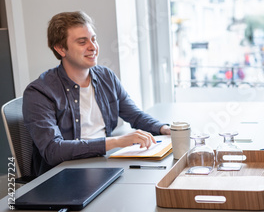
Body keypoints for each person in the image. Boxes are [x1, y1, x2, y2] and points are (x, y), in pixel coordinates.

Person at [23, 11, 171, 176]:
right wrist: (115, 142)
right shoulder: (39, 92)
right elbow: (53, 151)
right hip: (63, 175)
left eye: (93, 39)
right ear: (60, 49)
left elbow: (134, 115)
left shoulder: (106, 76)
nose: (93, 47)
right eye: (82, 42)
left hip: (105, 163)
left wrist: (165, 129)